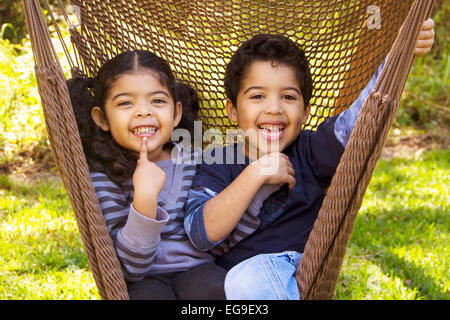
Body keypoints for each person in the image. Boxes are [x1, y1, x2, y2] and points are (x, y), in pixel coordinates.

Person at [184, 19, 435, 300]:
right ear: (232, 110)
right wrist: (257, 172)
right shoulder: (217, 160)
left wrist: (397, 57)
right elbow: (201, 233)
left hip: (287, 272)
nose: (274, 108)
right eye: (257, 96)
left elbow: (360, 121)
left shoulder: (313, 151)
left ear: (305, 112)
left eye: (289, 97)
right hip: (227, 282)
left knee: (248, 280)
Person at [67, 50, 227, 300]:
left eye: (157, 101)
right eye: (125, 103)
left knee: (220, 289)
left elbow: (223, 241)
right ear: (102, 118)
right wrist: (144, 198)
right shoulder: (104, 178)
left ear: (175, 114)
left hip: (200, 270)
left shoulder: (199, 163)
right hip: (141, 281)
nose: (144, 112)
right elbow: (132, 268)